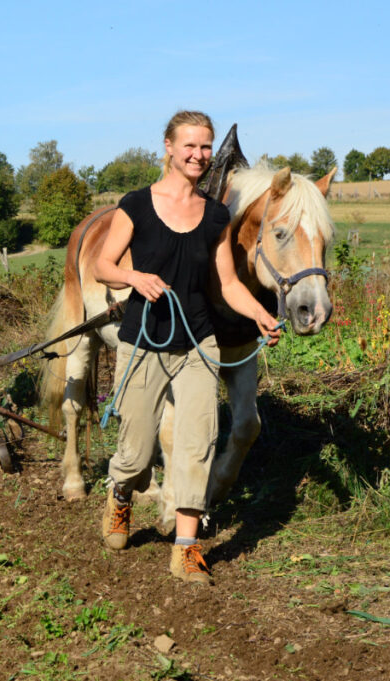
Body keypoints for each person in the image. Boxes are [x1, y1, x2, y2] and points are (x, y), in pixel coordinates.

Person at [92, 111, 281, 585]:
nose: (198, 155)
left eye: (205, 147)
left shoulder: (216, 215)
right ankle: (119, 499)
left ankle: (186, 547)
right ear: (169, 148)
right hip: (144, 340)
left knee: (198, 441)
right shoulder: (135, 205)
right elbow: (102, 265)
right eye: (189, 146)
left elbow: (228, 281)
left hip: (198, 341)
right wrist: (134, 277)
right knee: (135, 452)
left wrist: (259, 314)